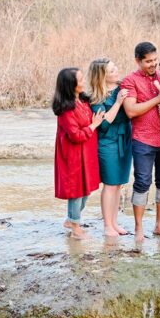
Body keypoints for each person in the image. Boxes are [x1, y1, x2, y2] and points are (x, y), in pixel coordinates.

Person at [122, 41, 160, 241]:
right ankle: (138, 228)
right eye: (148, 61)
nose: (153, 64)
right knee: (142, 182)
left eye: (155, 60)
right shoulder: (130, 81)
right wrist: (158, 100)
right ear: (138, 61)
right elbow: (130, 111)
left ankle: (159, 225)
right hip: (143, 139)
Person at [52, 66, 105, 239]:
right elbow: (75, 135)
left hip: (87, 152)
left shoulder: (83, 101)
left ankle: (71, 219)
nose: (84, 82)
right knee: (76, 191)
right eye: (80, 80)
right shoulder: (66, 110)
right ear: (70, 85)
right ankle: (75, 227)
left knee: (86, 190)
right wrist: (93, 125)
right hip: (73, 155)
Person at [88, 58, 132, 237]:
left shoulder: (124, 86)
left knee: (119, 184)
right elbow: (104, 125)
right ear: (103, 76)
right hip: (107, 141)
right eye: (112, 70)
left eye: (116, 67)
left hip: (125, 139)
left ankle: (115, 222)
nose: (117, 71)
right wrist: (118, 103)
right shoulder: (96, 97)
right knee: (110, 184)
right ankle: (107, 225)